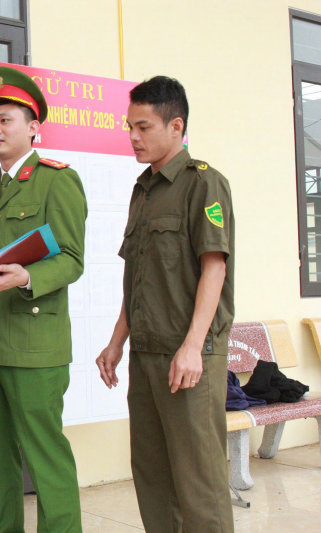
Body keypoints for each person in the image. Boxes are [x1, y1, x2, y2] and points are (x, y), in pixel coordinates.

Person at [95, 76, 235, 533]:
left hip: (189, 354)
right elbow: (136, 275)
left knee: (199, 481)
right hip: (147, 354)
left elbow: (214, 268)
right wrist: (117, 342)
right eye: (129, 126)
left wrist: (194, 346)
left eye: (144, 126)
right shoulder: (144, 189)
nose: (133, 137)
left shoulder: (205, 184)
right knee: (152, 476)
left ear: (176, 126)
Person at [0, 66, 87, 533]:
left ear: (33, 127)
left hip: (36, 344)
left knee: (46, 460)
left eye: (5, 119)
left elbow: (72, 259)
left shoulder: (57, 180)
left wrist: (26, 276)